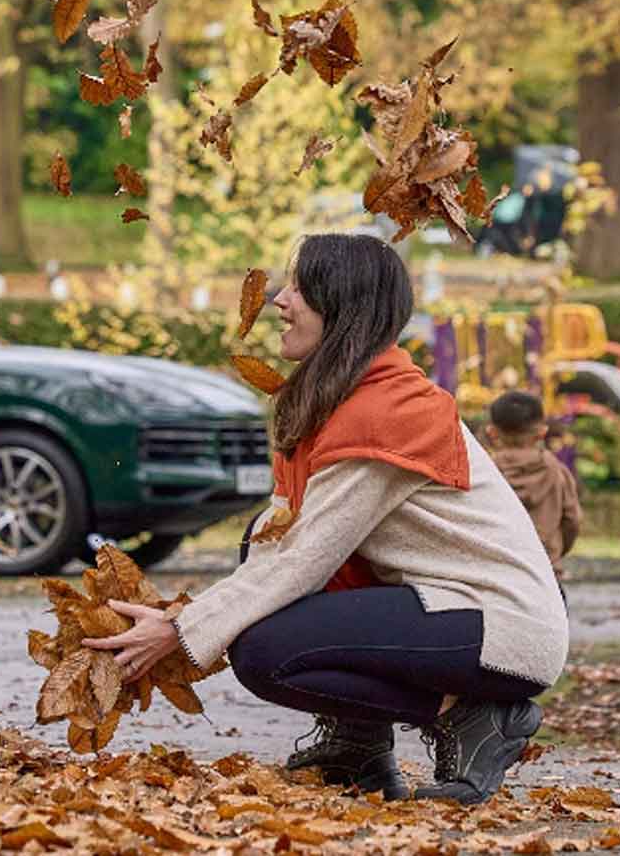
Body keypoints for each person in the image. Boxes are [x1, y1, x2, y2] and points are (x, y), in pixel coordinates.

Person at [85, 234, 568, 805]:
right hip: (447, 607)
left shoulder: (388, 412)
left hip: (500, 624)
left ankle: (471, 717)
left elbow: (304, 559)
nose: (279, 300)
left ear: (342, 306)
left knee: (267, 652)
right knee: (259, 543)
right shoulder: (338, 401)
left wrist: (180, 633)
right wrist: (180, 619)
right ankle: (357, 745)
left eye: (299, 288)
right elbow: (278, 543)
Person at [482, 391, 583, 587]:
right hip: (545, 574)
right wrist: (555, 552)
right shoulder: (557, 471)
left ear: (492, 432)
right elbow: (573, 519)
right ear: (542, 432)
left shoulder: (485, 472)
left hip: (498, 573)